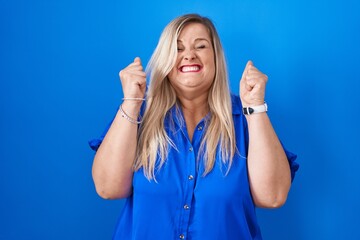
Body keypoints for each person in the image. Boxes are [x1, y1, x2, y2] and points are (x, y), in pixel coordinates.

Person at [89, 13, 299, 240]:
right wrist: (131, 101)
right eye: (178, 49)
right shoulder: (137, 115)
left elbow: (273, 196)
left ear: (216, 58)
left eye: (200, 46)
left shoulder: (246, 117)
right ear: (165, 60)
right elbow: (107, 188)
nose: (189, 55)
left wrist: (255, 107)